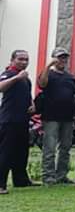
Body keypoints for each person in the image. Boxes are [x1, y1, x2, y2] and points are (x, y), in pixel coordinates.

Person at [37, 47, 75, 185]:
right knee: (50, 148)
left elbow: (74, 96)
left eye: (65, 57)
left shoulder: (70, 77)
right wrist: (48, 65)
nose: (63, 60)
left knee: (65, 148)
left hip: (67, 117)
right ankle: (48, 176)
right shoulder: (48, 74)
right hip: (51, 117)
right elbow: (42, 84)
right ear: (54, 58)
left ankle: (61, 175)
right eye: (60, 57)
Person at [0, 50, 36, 194]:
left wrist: (32, 104)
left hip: (23, 120)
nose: (24, 62)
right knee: (6, 152)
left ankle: (21, 180)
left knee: (21, 152)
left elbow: (27, 94)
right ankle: (1, 184)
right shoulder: (8, 74)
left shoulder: (26, 78)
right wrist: (16, 78)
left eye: (26, 59)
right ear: (12, 60)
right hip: (9, 120)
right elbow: (1, 87)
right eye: (20, 59)